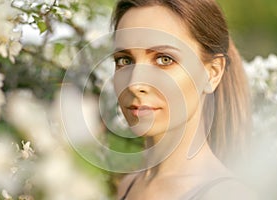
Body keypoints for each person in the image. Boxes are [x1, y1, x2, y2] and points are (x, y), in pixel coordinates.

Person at [110, 0, 257, 199]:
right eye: (124, 60)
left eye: (164, 59)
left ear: (212, 73)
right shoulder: (128, 186)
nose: (135, 84)